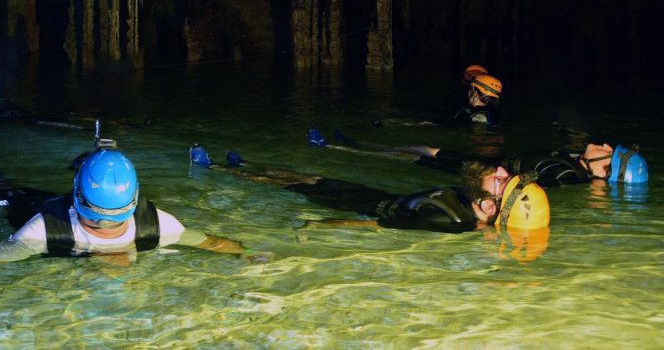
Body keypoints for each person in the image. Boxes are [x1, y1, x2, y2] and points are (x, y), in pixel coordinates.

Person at [0, 144, 250, 295]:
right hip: (31, 207)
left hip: (65, 207)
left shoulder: (160, 226)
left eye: (114, 222)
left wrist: (247, 253)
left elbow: (212, 242)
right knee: (6, 191)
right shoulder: (38, 233)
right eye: (97, 222)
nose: (106, 230)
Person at [190, 146, 550, 234]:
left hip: (365, 206)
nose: (500, 170)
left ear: (489, 208)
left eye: (502, 181)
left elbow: (377, 227)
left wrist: (322, 225)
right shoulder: (471, 200)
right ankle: (245, 164)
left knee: (299, 185)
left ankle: (217, 168)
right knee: (304, 175)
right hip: (372, 192)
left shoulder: (447, 222)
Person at [405, 140, 649, 187]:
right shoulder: (576, 163)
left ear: (604, 169)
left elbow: (538, 182)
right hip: (494, 162)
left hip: (485, 169)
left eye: (608, 151)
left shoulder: (566, 174)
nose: (605, 145)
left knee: (428, 154)